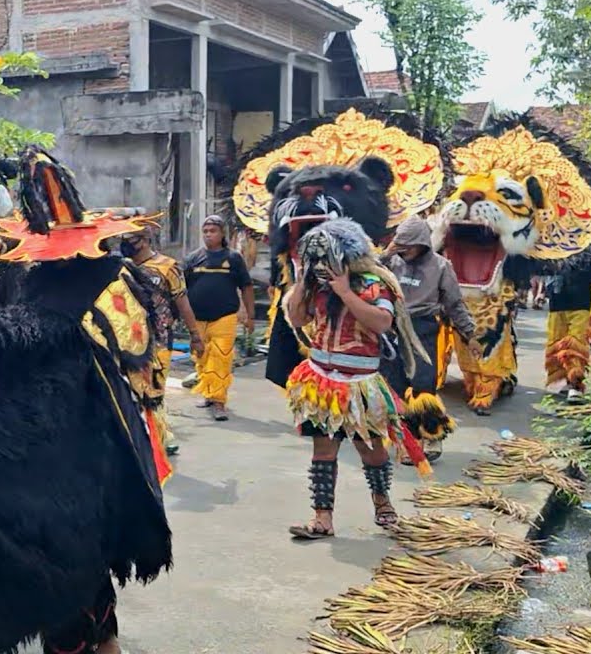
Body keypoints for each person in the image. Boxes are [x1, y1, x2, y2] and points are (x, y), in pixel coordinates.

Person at [284, 219, 430, 540]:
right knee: (323, 451)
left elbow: (381, 322)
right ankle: (322, 518)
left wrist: (346, 292)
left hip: (361, 386)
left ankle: (383, 505)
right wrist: (300, 282)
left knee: (372, 452)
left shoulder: (374, 284)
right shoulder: (316, 286)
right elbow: (296, 318)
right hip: (321, 383)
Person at [383, 216, 476, 463]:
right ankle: (410, 442)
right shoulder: (392, 261)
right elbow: (363, 270)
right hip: (392, 327)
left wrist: (469, 333)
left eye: (409, 247)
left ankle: (432, 434)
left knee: (424, 385)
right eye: (400, 247)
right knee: (395, 387)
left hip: (423, 327)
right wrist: (389, 251)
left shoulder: (441, 267)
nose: (405, 252)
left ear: (423, 243)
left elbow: (454, 304)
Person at [121, 225, 205, 456]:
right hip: (128, 343)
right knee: (134, 391)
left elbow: (182, 303)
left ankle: (162, 439)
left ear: (146, 239)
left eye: (130, 239)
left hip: (159, 340)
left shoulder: (168, 267)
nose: (125, 243)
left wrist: (195, 335)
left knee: (156, 391)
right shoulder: (122, 268)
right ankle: (146, 436)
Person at [182, 215, 254, 421]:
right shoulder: (193, 258)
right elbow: (180, 289)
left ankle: (219, 401)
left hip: (225, 317)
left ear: (222, 233)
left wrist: (250, 316)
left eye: (212, 231)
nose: (208, 235)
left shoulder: (233, 258)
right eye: (205, 231)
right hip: (197, 318)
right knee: (202, 358)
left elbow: (246, 287)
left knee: (221, 358)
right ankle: (208, 393)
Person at [546, 255, 591, 402]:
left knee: (576, 343)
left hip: (580, 300)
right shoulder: (555, 240)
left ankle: (575, 384)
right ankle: (565, 379)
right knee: (557, 343)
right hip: (557, 300)